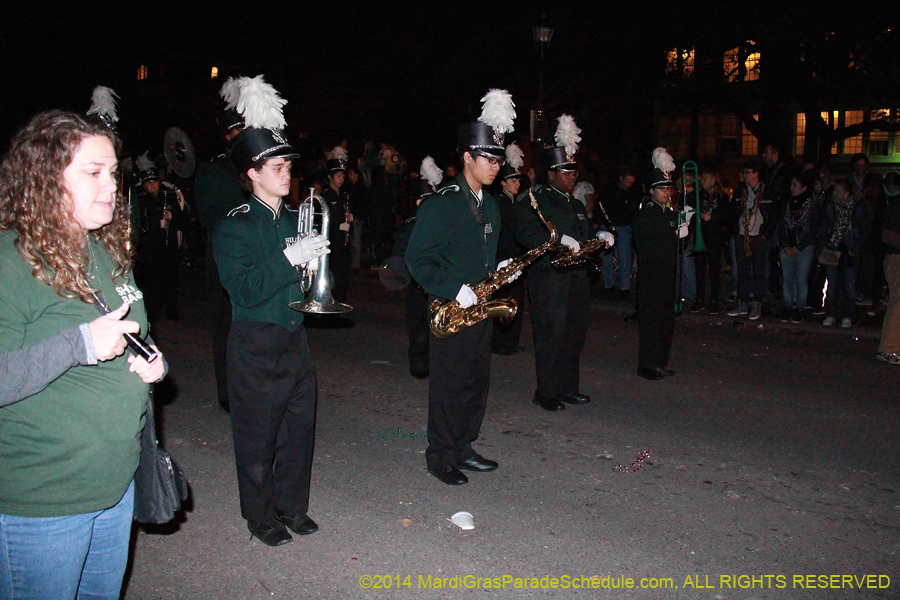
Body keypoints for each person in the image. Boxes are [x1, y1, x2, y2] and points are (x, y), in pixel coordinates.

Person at [0, 109, 166, 599]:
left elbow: (141, 333)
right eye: (93, 172)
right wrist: (81, 344)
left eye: (113, 172)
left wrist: (152, 360)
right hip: (43, 500)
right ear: (45, 179)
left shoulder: (104, 253)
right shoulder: (10, 260)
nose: (111, 184)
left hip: (113, 487)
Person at [212, 76, 328, 546]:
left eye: (287, 165)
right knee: (257, 438)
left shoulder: (294, 217)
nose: (287, 173)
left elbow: (304, 280)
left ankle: (291, 507)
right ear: (254, 173)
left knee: (299, 430)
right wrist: (288, 259)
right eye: (277, 166)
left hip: (294, 339)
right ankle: (259, 516)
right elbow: (242, 290)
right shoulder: (233, 227)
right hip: (255, 342)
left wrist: (316, 258)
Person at [405, 89, 516, 486]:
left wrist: (499, 268)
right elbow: (418, 259)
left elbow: (483, 250)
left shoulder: (492, 204)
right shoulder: (442, 203)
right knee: (449, 384)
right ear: (467, 157)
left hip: (480, 305)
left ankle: (464, 446)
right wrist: (454, 287)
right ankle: (441, 454)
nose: (496, 166)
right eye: (489, 158)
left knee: (475, 382)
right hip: (451, 308)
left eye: (499, 159)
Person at [515, 115, 614, 411]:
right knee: (551, 334)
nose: (572, 177)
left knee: (574, 333)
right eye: (566, 171)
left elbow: (582, 235)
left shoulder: (575, 203)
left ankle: (568, 387)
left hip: (576, 277)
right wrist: (555, 242)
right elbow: (526, 231)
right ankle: (546, 392)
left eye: (573, 171)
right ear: (552, 174)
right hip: (549, 275)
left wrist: (599, 235)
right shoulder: (537, 199)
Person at [194, 101, 247, 414]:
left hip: (256, 258)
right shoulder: (212, 170)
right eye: (239, 132)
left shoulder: (256, 169)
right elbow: (208, 217)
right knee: (226, 328)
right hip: (225, 258)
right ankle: (228, 393)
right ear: (228, 137)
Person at [632, 148, 683, 381]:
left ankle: (661, 362)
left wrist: (685, 231)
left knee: (665, 319)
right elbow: (649, 243)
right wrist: (674, 233)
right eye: (662, 189)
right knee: (652, 319)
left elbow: (676, 244)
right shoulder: (647, 213)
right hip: (652, 270)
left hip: (667, 270)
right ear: (652, 191)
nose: (666, 192)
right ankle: (647, 364)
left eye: (668, 188)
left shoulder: (669, 213)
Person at [392, 158, 442, 379]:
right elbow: (399, 257)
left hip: (438, 283)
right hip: (417, 284)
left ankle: (435, 361)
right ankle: (418, 363)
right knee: (418, 327)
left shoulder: (441, 226)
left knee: (437, 326)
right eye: (423, 200)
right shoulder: (410, 226)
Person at [727, 161, 776, 320]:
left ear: (755, 173)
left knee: (758, 271)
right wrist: (734, 231)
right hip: (742, 235)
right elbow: (734, 212)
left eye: (747, 172)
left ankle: (757, 303)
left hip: (758, 236)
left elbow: (773, 215)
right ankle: (742, 302)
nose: (744, 175)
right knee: (742, 270)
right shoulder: (741, 191)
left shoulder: (766, 191)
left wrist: (765, 234)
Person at [491, 143, 527, 355]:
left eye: (518, 180)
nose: (517, 183)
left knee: (516, 301)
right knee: (504, 301)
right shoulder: (499, 203)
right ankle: (500, 343)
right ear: (503, 182)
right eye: (513, 180)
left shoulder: (514, 203)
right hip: (503, 257)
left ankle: (510, 341)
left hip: (515, 257)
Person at [818, 178, 868, 328]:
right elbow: (824, 229)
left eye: (838, 191)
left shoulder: (857, 208)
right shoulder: (831, 208)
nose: (835, 194)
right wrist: (821, 249)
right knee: (832, 284)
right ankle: (831, 313)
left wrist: (856, 248)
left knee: (848, 285)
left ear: (846, 194)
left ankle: (847, 315)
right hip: (833, 249)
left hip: (849, 251)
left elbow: (863, 231)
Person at [776, 171, 821, 323]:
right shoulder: (787, 204)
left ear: (804, 187)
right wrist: (784, 245)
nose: (791, 188)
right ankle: (787, 305)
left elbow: (812, 230)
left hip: (804, 248)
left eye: (795, 185)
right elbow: (782, 225)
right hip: (787, 246)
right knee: (787, 278)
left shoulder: (812, 205)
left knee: (801, 278)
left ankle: (800, 306)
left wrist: (798, 247)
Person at [691, 169, 731, 314]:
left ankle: (714, 300)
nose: (701, 181)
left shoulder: (722, 198)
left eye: (705, 178)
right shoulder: (698, 195)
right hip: (701, 236)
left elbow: (727, 217)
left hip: (714, 237)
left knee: (714, 270)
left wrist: (712, 218)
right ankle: (699, 299)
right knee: (699, 270)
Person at [597, 169, 640, 298]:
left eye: (631, 182)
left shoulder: (632, 193)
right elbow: (600, 205)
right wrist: (598, 222)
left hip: (624, 226)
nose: (629, 185)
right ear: (621, 178)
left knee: (624, 256)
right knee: (606, 256)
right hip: (608, 225)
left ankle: (624, 286)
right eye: (627, 181)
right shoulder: (609, 189)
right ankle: (608, 284)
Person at [877, 172, 900, 364]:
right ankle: (889, 348)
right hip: (895, 257)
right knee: (898, 302)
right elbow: (887, 235)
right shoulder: (891, 205)